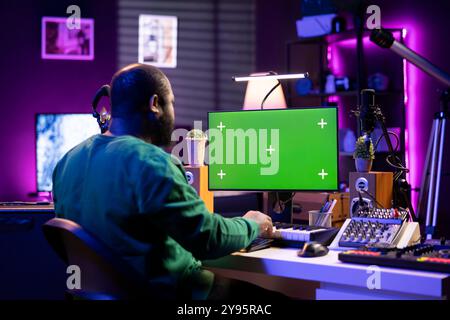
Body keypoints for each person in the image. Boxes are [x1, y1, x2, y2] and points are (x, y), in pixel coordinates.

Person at [52, 63, 280, 300]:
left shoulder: (66, 162)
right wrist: (251, 224)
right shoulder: (151, 162)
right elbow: (207, 238)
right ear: (155, 104)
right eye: (171, 102)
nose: (173, 111)